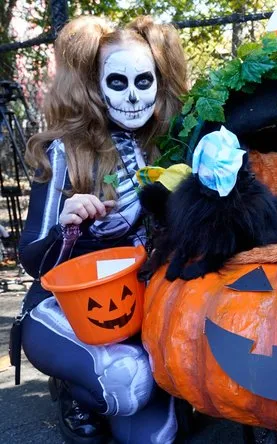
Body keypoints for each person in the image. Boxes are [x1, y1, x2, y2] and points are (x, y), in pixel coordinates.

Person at [16, 15, 188, 444]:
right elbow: (32, 258)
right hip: (66, 309)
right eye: (117, 83)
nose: (132, 96)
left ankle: (100, 385)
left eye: (143, 81)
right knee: (125, 384)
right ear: (92, 86)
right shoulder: (64, 153)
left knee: (153, 437)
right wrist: (65, 225)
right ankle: (77, 389)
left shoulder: (164, 146)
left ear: (159, 82)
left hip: (137, 310)